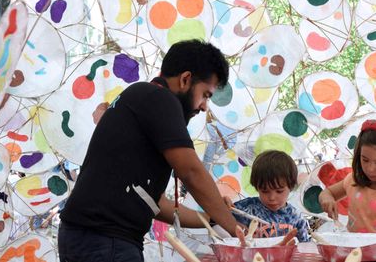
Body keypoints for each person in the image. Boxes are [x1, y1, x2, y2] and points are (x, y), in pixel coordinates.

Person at [59, 40, 242, 261]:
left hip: (87, 237)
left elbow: (157, 204)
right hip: (106, 239)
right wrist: (237, 231)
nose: (204, 106)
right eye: (205, 94)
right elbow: (191, 172)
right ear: (185, 79)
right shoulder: (159, 99)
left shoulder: (141, 97)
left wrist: (212, 218)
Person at [224, 150, 310, 242]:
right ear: (257, 187)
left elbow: (304, 247)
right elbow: (214, 221)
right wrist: (223, 206)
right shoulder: (246, 208)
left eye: (279, 191)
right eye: (265, 191)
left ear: (291, 186)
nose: (272, 198)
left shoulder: (296, 218)